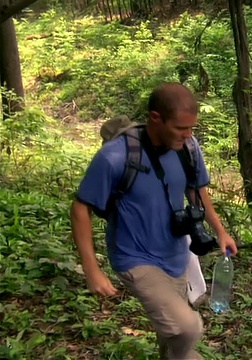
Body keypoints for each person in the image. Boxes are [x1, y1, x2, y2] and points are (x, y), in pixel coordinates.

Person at [70, 82, 238, 360]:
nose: (188, 135)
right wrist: (92, 270)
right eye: (181, 128)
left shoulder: (189, 148)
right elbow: (80, 209)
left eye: (191, 128)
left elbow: (197, 190)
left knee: (168, 331)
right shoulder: (116, 156)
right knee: (188, 327)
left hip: (176, 254)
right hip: (134, 257)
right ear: (155, 118)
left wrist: (220, 230)